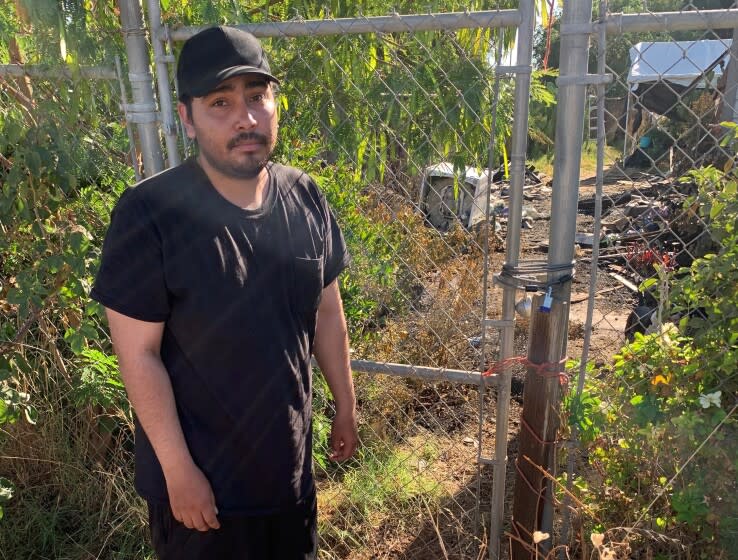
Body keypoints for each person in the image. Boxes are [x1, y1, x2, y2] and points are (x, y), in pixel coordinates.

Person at [91, 25, 358, 560]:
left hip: (289, 480)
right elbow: (138, 355)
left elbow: (328, 311)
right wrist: (177, 472)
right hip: (204, 499)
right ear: (186, 117)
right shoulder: (150, 216)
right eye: (221, 102)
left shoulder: (303, 195)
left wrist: (346, 406)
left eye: (257, 97)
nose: (246, 118)